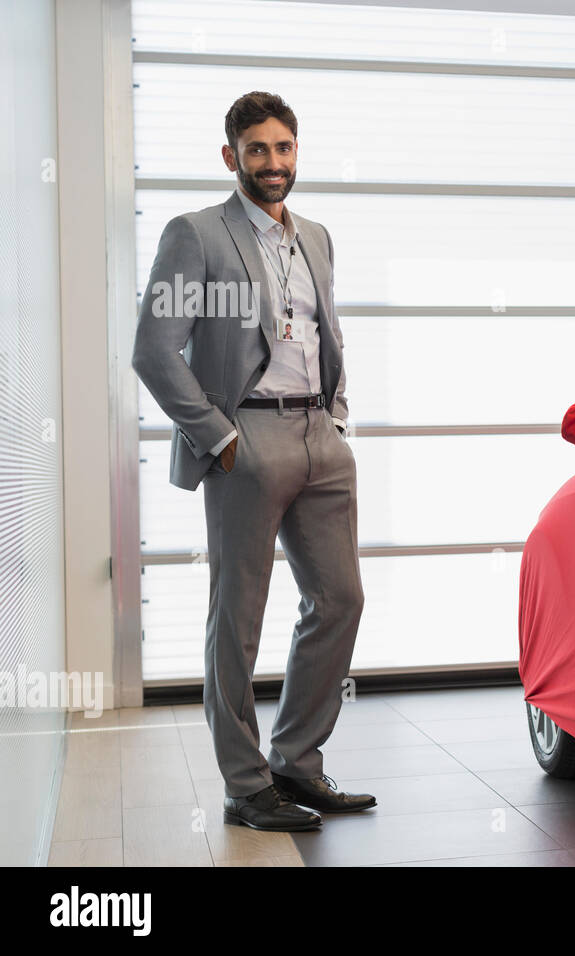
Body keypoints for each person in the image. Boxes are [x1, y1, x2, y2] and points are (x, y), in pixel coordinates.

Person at [132, 91, 375, 831]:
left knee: (340, 601)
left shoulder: (319, 237)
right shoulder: (196, 235)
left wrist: (334, 415)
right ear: (231, 155)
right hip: (248, 440)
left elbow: (322, 331)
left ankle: (297, 763)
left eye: (285, 148)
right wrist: (221, 436)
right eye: (259, 149)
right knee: (238, 617)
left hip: (320, 442)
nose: (274, 163)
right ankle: (245, 785)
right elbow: (153, 348)